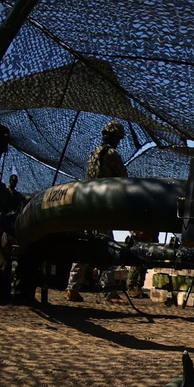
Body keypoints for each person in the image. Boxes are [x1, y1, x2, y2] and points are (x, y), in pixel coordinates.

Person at [66, 120, 128, 303]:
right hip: (102, 207)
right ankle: (109, 291)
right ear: (115, 137)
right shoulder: (112, 154)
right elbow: (124, 179)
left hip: (87, 206)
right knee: (108, 248)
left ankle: (72, 287)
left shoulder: (93, 153)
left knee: (85, 247)